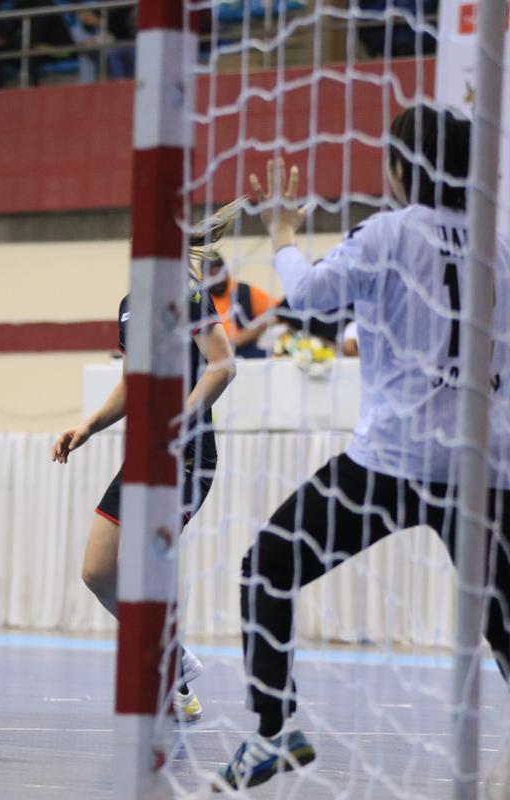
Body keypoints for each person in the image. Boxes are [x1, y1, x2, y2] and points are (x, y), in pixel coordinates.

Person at [215, 106, 510, 790]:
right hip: (484, 461)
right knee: (503, 617)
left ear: (403, 169)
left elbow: (314, 297)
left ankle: (274, 728)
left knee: (268, 565)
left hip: (395, 460)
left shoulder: (387, 232)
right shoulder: (498, 243)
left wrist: (284, 235)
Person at [52, 203, 239, 723]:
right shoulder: (130, 304)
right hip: (143, 454)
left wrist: (178, 419)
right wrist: (88, 426)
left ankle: (165, 684)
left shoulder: (189, 292)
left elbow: (223, 366)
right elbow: (133, 383)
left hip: (187, 453)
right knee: (97, 572)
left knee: (147, 562)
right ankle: (174, 659)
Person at [204, 250, 277, 359]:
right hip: (210, 356)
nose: (217, 279)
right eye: (212, 275)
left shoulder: (243, 291)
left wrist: (250, 332)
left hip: (243, 352)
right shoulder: (197, 296)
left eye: (220, 273)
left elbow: (278, 312)